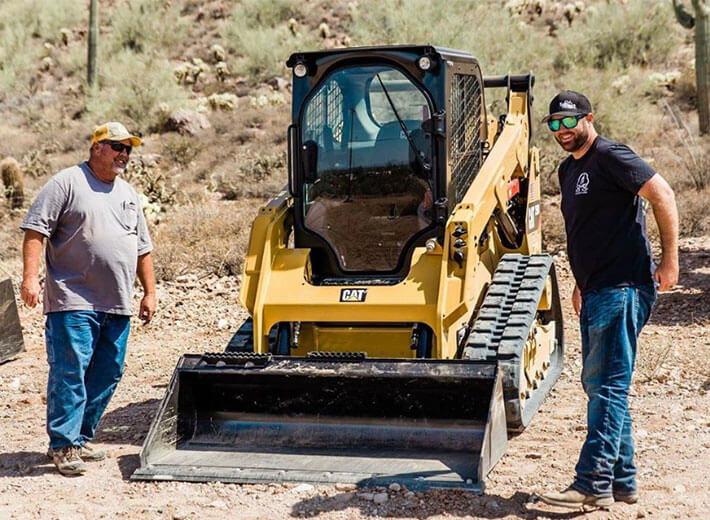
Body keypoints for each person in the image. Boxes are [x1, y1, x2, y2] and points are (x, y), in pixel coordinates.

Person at [539, 91, 679, 508]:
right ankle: (623, 481)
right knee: (603, 386)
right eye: (554, 124)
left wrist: (671, 260)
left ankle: (591, 483)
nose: (562, 131)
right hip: (597, 289)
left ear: (588, 118)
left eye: (569, 122)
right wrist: (581, 281)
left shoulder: (611, 155)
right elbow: (587, 230)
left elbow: (663, 195)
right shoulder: (567, 171)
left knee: (608, 387)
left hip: (623, 286)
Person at [20, 122, 156, 476]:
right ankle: (63, 444)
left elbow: (143, 247)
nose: (124, 154)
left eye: (128, 149)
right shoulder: (67, 182)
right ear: (97, 147)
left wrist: (150, 291)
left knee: (109, 371)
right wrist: (30, 278)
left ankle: (79, 438)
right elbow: (36, 229)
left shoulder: (128, 194)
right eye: (117, 146)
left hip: (117, 301)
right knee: (71, 371)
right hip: (72, 298)